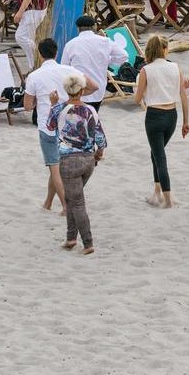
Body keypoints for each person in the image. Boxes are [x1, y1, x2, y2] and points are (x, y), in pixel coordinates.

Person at [51, 71, 107, 254]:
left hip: (69, 160)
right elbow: (100, 137)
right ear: (82, 90)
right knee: (72, 198)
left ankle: (88, 242)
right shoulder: (90, 110)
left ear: (66, 90)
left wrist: (53, 105)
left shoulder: (60, 109)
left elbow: (49, 126)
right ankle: (70, 238)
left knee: (76, 201)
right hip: (88, 160)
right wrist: (99, 153)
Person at [132, 34, 189, 208]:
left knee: (159, 156)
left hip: (154, 116)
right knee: (155, 153)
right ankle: (157, 191)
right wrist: (186, 121)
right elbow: (183, 95)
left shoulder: (146, 70)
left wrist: (143, 92)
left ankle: (168, 198)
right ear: (165, 49)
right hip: (172, 115)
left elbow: (137, 99)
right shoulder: (175, 67)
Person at [24, 38, 75, 213]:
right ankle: (48, 202)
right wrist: (73, 99)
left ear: (40, 54)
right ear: (56, 52)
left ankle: (66, 206)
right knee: (55, 165)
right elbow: (93, 86)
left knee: (54, 167)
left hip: (48, 126)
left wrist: (40, 99)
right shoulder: (69, 70)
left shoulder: (35, 76)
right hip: (69, 124)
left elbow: (27, 106)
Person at [61, 14, 125, 107]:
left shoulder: (71, 44)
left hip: (78, 90)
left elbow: (65, 68)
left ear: (78, 29)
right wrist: (108, 62)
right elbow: (123, 55)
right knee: (93, 116)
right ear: (94, 26)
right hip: (98, 89)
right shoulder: (105, 41)